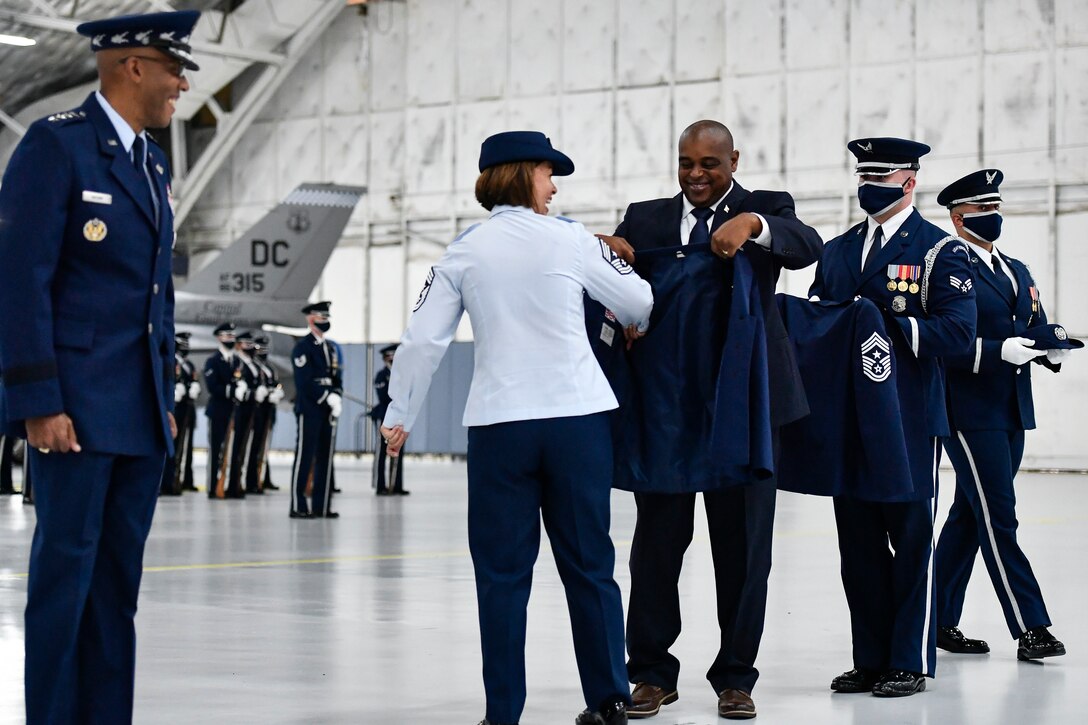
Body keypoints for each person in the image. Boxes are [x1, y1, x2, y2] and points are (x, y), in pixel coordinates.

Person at [381, 130, 653, 725]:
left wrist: (400, 415)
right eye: (548, 174)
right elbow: (638, 301)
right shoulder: (572, 240)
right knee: (590, 566)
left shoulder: (463, 251)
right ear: (524, 173)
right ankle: (610, 700)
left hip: (500, 428)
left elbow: (422, 341)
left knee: (501, 576)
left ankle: (502, 713)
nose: (554, 187)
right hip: (577, 422)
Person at [0, 10, 199, 723]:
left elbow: (156, 296)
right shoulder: (56, 147)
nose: (182, 84)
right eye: (173, 69)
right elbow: (20, 280)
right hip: (74, 414)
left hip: (138, 414)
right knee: (66, 584)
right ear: (132, 66)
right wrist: (38, 401)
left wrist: (163, 397)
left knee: (117, 591)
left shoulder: (152, 164)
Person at [598, 120, 821, 720]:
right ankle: (650, 673)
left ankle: (735, 678)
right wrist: (605, 250)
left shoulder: (766, 206)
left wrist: (753, 226)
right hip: (665, 405)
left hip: (741, 405)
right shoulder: (645, 218)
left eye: (709, 164)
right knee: (655, 547)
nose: (695, 174)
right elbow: (613, 282)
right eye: (686, 163)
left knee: (743, 549)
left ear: (734, 161)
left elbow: (806, 245)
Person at [808, 138, 976, 697]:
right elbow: (821, 323)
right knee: (857, 546)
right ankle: (871, 657)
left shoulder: (938, 251)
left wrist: (886, 326)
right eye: (863, 174)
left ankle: (909, 658)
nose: (869, 185)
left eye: (880, 176)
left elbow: (959, 331)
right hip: (849, 418)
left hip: (907, 417)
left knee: (910, 539)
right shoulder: (837, 251)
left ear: (909, 182)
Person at [933, 169, 1074, 661]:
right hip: (968, 409)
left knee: (969, 516)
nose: (992, 216)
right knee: (999, 516)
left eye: (995, 207)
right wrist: (997, 351)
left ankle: (936, 619)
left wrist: (1049, 349)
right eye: (981, 209)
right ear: (958, 218)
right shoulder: (947, 266)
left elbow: (1030, 323)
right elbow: (945, 340)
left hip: (1012, 406)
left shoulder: (1015, 268)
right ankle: (1031, 626)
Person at [290, 301, 342, 519]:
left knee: (325, 458)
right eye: (321, 317)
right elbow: (304, 382)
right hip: (310, 408)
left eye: (327, 317)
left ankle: (322, 506)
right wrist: (325, 396)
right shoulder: (303, 347)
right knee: (305, 456)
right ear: (310, 319)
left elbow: (335, 377)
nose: (325, 321)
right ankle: (298, 505)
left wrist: (337, 394)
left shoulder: (330, 348)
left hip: (327, 410)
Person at [204, 322, 246, 498]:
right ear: (219, 338)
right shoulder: (213, 361)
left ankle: (231, 485)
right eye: (227, 336)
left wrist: (242, 387)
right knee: (216, 450)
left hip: (234, 411)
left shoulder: (237, 361)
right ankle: (213, 487)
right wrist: (232, 390)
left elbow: (240, 379)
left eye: (232, 336)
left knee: (233, 449)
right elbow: (213, 387)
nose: (230, 339)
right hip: (218, 411)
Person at [161, 331, 199, 495]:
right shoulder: (173, 361)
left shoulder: (188, 365)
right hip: (175, 408)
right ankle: (168, 481)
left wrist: (193, 386)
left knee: (186, 446)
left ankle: (184, 480)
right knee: (173, 446)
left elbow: (192, 380)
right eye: (183, 344)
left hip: (187, 408)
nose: (186, 347)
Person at [247, 335, 283, 493]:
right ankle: (252, 480)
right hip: (257, 410)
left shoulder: (270, 368)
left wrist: (276, 392)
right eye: (260, 348)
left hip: (269, 410)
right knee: (254, 446)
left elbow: (275, 384)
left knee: (265, 445)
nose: (263, 352)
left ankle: (264, 477)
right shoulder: (254, 366)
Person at [371, 343, 407, 495]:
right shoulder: (382, 375)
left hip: (400, 419)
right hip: (385, 418)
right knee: (381, 452)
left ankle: (396, 485)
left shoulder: (401, 376)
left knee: (398, 451)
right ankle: (380, 486)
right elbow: (384, 397)